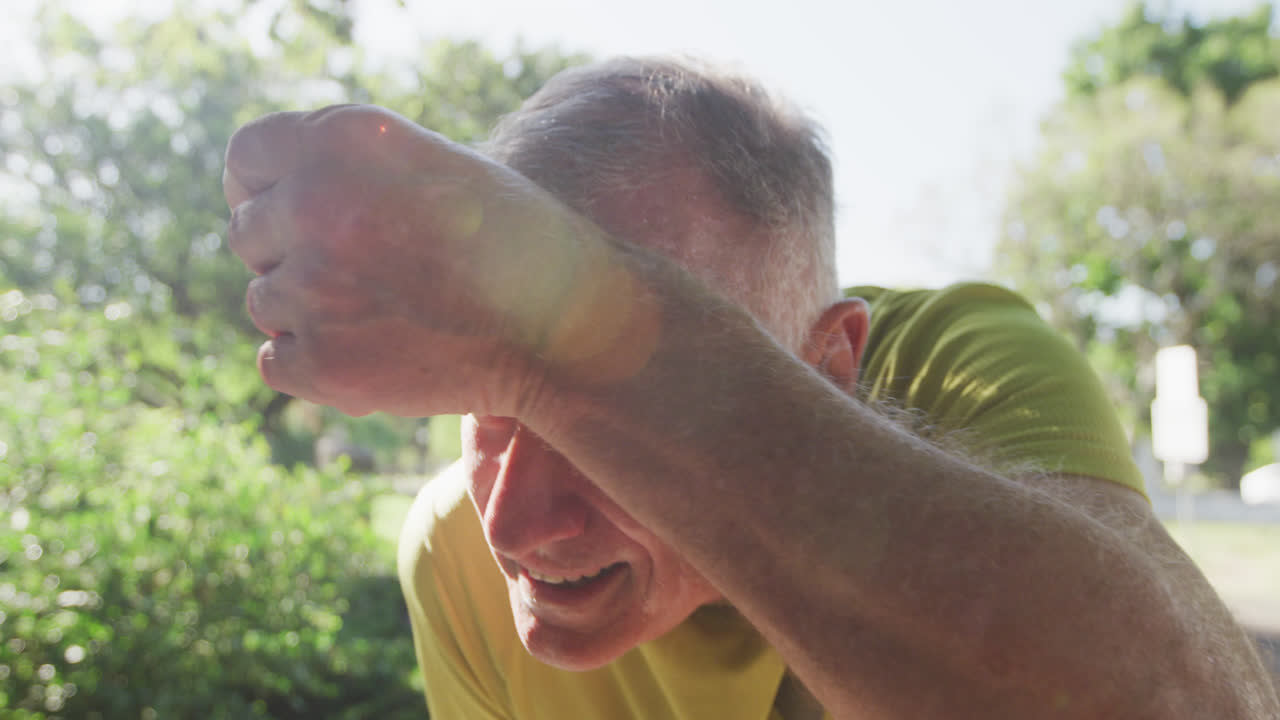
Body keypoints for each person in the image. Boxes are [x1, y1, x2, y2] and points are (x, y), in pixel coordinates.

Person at [222, 57, 1279, 718]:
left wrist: (552, 349)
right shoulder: (451, 545)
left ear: (829, 365)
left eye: (599, 401)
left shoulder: (954, 370)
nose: (520, 527)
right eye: (486, 403)